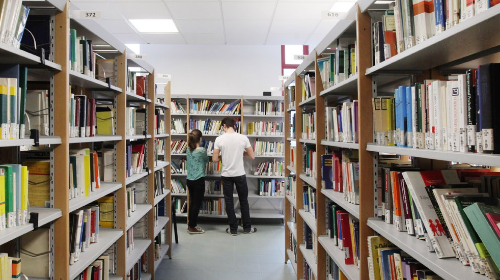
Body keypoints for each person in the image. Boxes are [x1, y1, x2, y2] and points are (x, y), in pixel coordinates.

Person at [212, 117, 257, 236]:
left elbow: (215, 159)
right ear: (234, 126)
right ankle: (247, 228)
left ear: (224, 126)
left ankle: (233, 229)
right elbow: (252, 156)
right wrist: (240, 153)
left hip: (226, 175)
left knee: (229, 201)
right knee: (243, 201)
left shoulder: (219, 139)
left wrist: (224, 156)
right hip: (240, 174)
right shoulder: (243, 138)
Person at [186, 129, 209, 234]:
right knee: (196, 204)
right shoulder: (202, 151)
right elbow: (206, 160)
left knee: (192, 202)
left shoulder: (187, 150)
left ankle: (190, 224)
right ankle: (192, 226)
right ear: (200, 139)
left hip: (189, 180)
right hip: (198, 179)